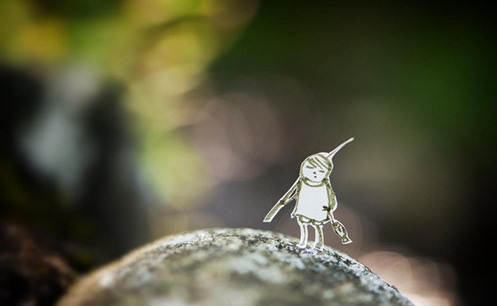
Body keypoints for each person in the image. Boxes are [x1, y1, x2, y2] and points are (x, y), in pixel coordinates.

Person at [263, 138, 354, 249]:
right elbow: (290, 192)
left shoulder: (325, 185)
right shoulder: (302, 181)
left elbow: (332, 197)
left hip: (319, 209)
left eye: (320, 172)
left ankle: (319, 242)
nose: (315, 173)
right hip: (304, 207)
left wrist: (331, 207)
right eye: (311, 169)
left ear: (326, 174)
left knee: (318, 226)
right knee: (303, 224)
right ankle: (303, 241)